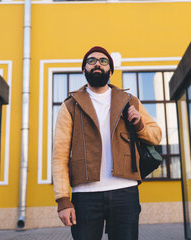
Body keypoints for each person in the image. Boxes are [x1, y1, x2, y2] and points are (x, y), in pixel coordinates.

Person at [52, 46, 162, 240]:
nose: (97, 64)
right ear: (83, 69)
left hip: (124, 191)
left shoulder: (129, 101)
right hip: (84, 195)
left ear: (110, 70)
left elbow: (156, 136)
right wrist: (63, 199)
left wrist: (139, 125)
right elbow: (59, 155)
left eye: (103, 61)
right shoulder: (70, 105)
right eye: (91, 61)